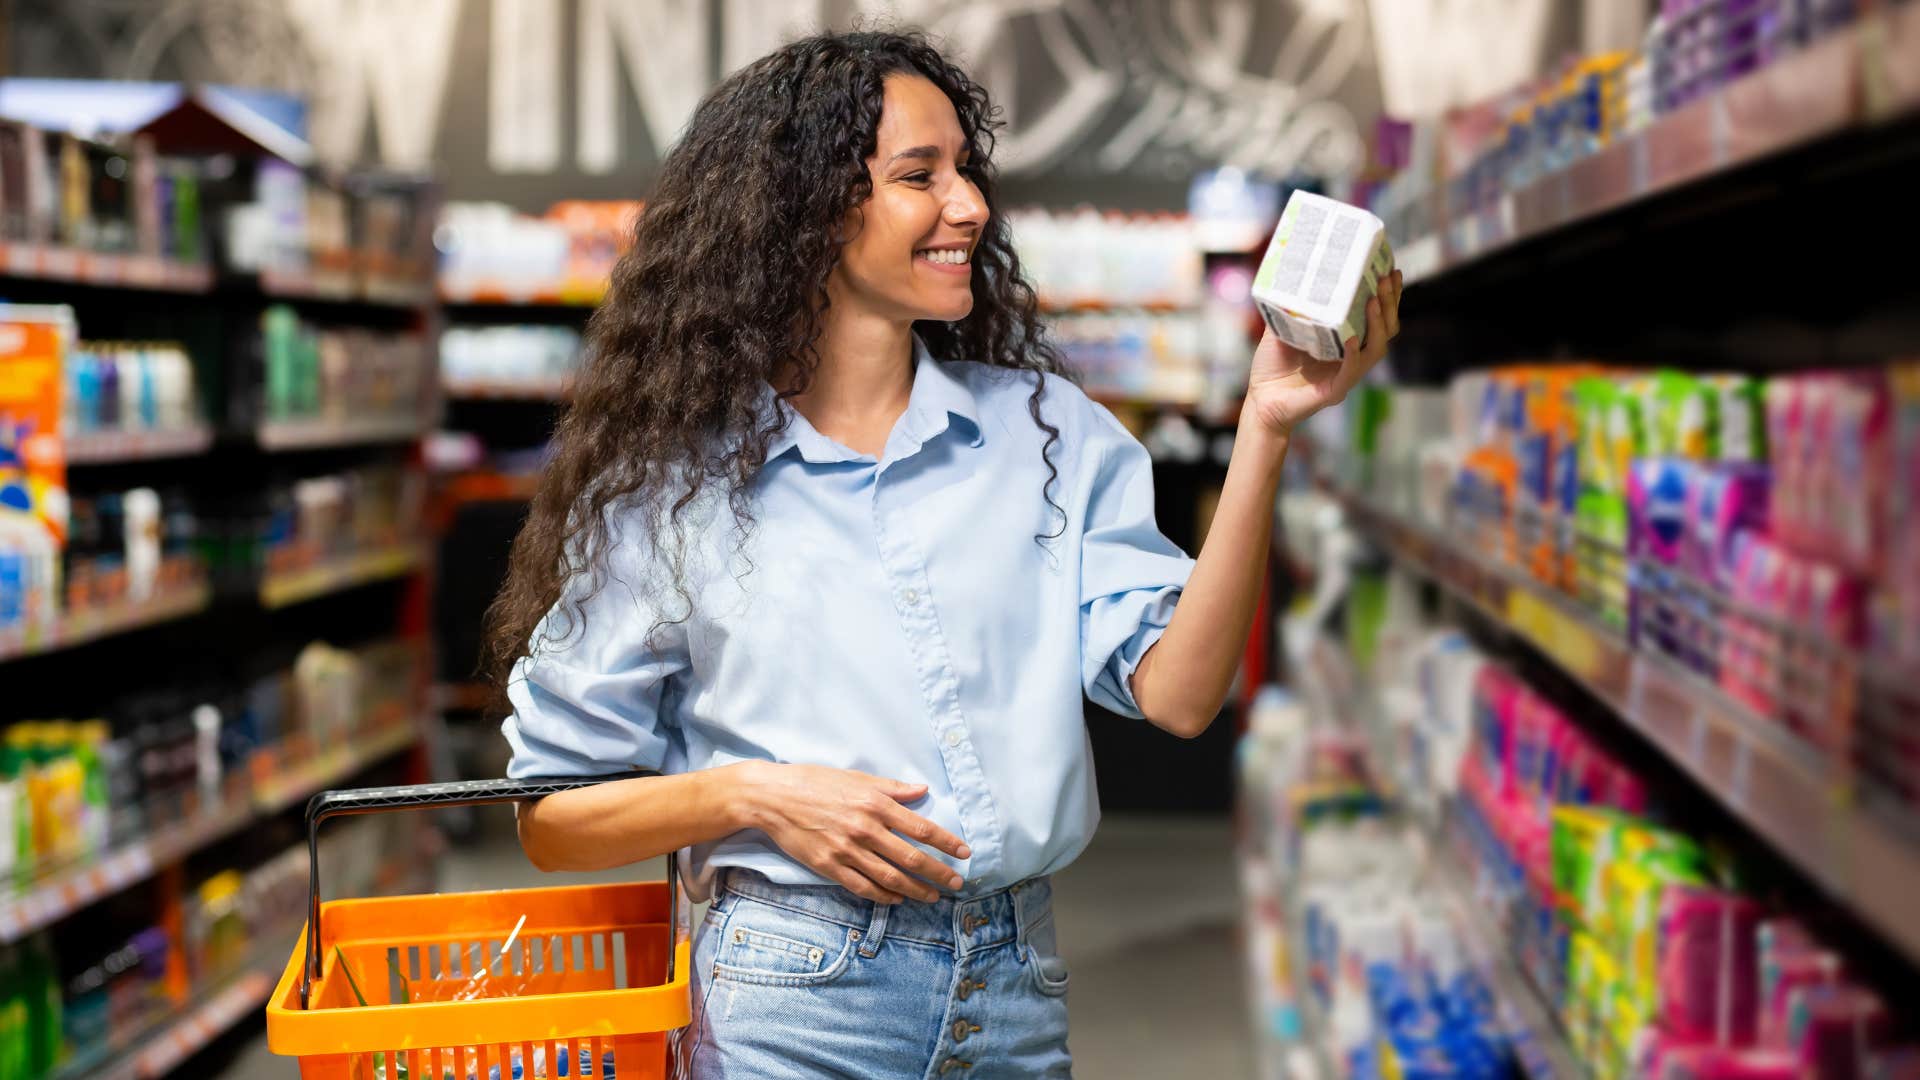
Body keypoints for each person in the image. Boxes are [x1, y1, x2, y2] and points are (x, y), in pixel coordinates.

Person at [485, 27, 1401, 1079]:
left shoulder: (1045, 435)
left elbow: (1184, 698)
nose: (968, 205)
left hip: (1014, 989)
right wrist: (751, 795)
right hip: (792, 998)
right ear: (806, 212)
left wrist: (1266, 427)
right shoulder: (674, 489)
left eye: (966, 170)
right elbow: (552, 818)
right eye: (919, 176)